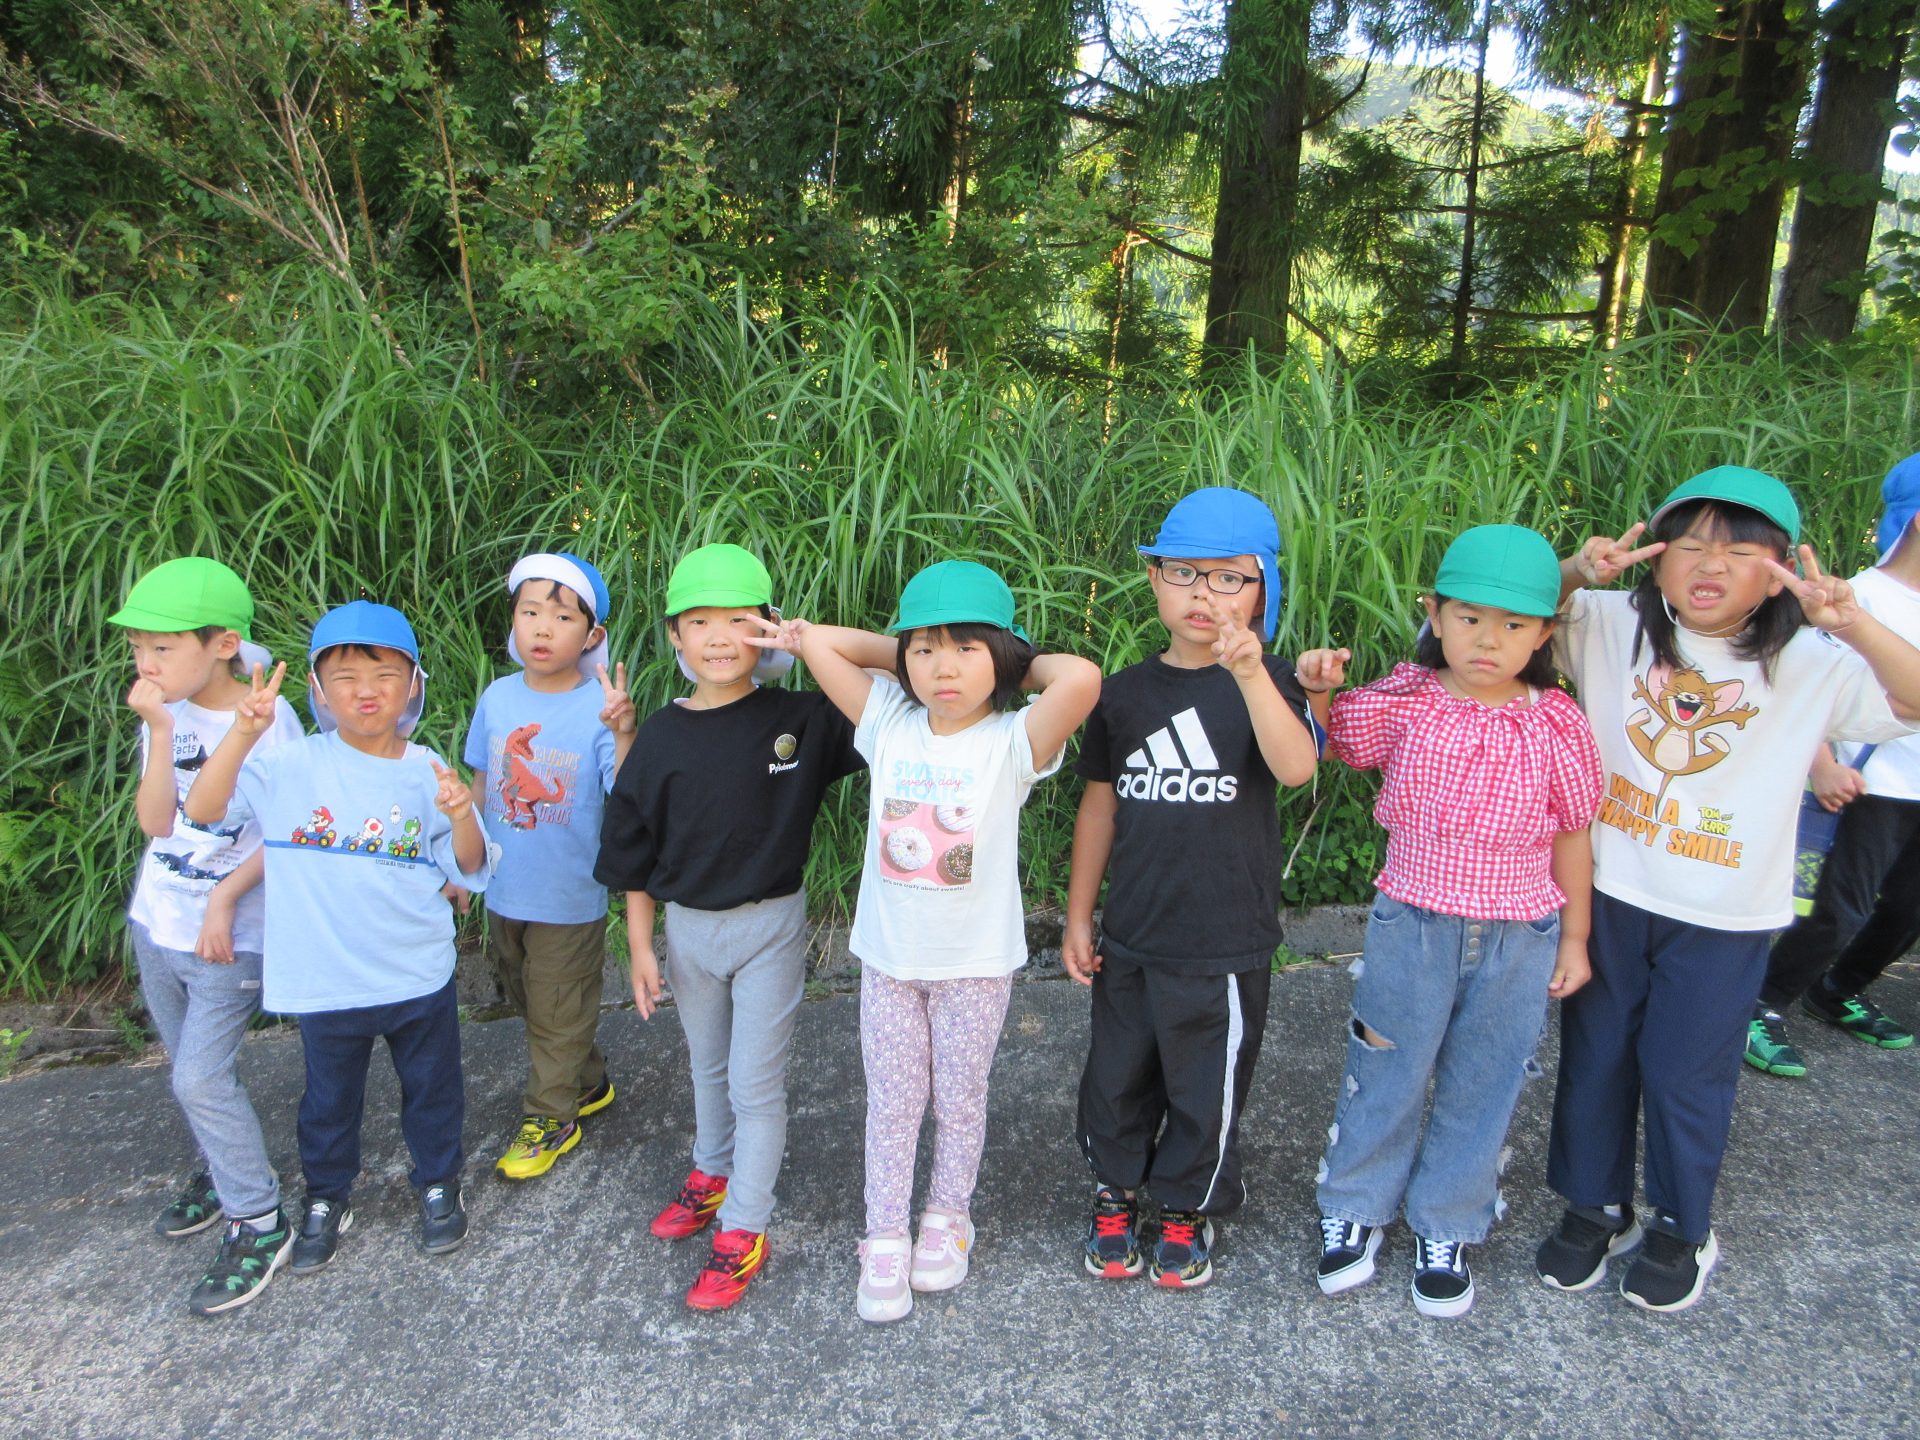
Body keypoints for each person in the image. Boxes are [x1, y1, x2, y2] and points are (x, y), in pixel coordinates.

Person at [1536, 466, 1920, 1312]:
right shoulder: (1607, 621)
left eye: (1742, 551)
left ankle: (1682, 1227)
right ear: (1658, 556)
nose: (1711, 564)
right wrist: (1573, 571)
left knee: (1685, 1073)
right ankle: (1593, 1207)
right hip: (1610, 891)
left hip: (1725, 915)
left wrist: (1855, 625)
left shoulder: (1813, 659)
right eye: (1692, 543)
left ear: (1778, 572)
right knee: (1596, 1058)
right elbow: (1505, 618)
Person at [763, 561, 1100, 1323]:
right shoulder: (887, 721)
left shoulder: (1013, 740)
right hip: (889, 961)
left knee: (959, 1100)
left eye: (966, 649)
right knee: (891, 1104)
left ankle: (947, 1217)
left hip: (974, 966)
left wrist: (1006, 661)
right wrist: (905, 656)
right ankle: (884, 1234)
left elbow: (1079, 677)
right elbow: (820, 645)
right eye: (925, 649)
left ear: (1002, 658)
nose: (943, 668)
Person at [1305, 526, 1601, 1319]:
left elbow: (1574, 832)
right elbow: (1337, 746)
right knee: (1387, 1067)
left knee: (1487, 1078)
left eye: (1513, 624)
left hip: (1520, 935)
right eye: (1469, 618)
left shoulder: (1557, 722)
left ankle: (1447, 1222)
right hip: (1413, 921)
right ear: (1435, 615)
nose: (1488, 639)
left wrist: (1575, 937)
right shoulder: (1408, 699)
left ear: (1544, 633)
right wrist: (1319, 693)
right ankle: (1355, 1205)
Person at [595, 544, 868, 1311]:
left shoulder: (800, 718)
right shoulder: (659, 734)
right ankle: (712, 1171)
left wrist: (810, 644)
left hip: (769, 926)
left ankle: (745, 1226)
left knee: (755, 1084)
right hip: (687, 932)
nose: (719, 637)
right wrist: (640, 945)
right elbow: (634, 845)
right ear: (674, 636)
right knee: (707, 1067)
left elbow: (891, 690)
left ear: (768, 626)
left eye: (739, 620)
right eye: (699, 622)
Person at [1063, 487, 1322, 1290]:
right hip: (1133, 933)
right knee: (1117, 1075)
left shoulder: (1270, 679)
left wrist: (1250, 674)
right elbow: (1099, 805)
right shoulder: (1123, 693)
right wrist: (1079, 916)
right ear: (1154, 579)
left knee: (1205, 1087)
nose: (1203, 594)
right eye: (1183, 573)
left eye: (1227, 577)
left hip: (1225, 942)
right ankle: (1116, 1188)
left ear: (1264, 589)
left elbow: (1296, 767)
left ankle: (1185, 1204)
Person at [185, 601, 491, 1275]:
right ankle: (327, 1196)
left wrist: (464, 813)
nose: (366, 691)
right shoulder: (289, 766)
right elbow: (203, 810)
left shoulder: (426, 768)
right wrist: (242, 733)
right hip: (326, 979)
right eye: (345, 677)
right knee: (327, 1102)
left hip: (417, 973)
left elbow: (468, 865)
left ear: (413, 685)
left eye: (385, 674)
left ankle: (439, 1183)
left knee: (433, 1091)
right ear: (318, 690)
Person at [108, 557, 303, 1316]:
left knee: (198, 1078)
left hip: (232, 935)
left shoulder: (267, 719)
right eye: (138, 649)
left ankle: (259, 1219)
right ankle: (224, 1172)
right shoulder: (168, 711)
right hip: (158, 921)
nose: (146, 665)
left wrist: (224, 897)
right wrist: (159, 728)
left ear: (222, 644)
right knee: (189, 1069)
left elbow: (291, 831)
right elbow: (157, 821)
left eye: (162, 648)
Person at [1746, 453, 1920, 1075]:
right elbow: (1802, 685)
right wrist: (1821, 763)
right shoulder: (1859, 597)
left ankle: (1839, 989)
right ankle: (1758, 1003)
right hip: (1867, 784)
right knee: (1836, 910)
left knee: (1907, 910)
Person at [463, 553, 634, 1180]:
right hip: (504, 888)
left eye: (562, 617)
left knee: (556, 1002)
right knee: (531, 999)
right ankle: (587, 1082)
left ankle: (550, 1117)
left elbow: (626, 791)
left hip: (568, 895)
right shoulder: (498, 697)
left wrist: (624, 731)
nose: (542, 627)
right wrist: (462, 867)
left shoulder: (599, 707)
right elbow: (481, 784)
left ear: (591, 636)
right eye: (530, 612)